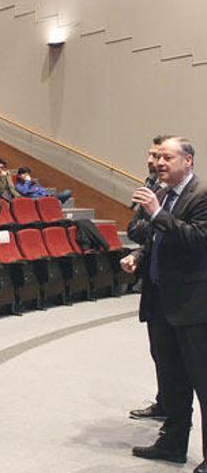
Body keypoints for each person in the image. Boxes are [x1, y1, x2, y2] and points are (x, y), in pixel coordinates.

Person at [123, 137, 207, 472]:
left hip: (192, 305)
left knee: (202, 382)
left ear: (187, 161)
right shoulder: (161, 194)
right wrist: (138, 256)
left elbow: (197, 240)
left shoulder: (201, 195)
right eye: (157, 157)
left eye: (167, 158)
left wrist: (156, 213)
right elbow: (155, 238)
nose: (159, 163)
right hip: (160, 302)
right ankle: (172, 444)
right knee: (171, 380)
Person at [128, 135, 170, 425]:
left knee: (178, 356)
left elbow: (165, 232)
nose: (152, 160)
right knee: (160, 350)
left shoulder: (180, 193)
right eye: (152, 155)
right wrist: (140, 255)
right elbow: (136, 230)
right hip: (155, 283)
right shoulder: (151, 185)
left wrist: (152, 220)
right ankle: (165, 401)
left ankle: (173, 407)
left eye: (159, 155)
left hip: (177, 286)